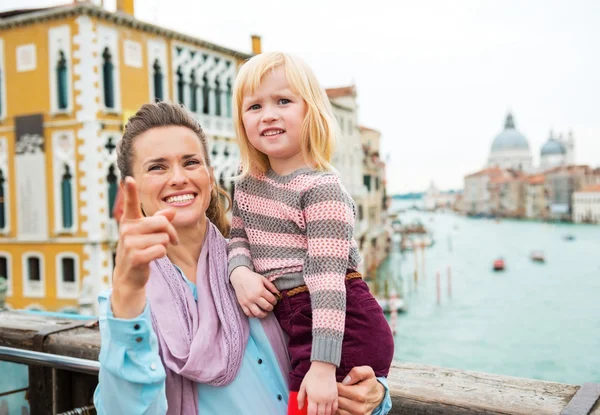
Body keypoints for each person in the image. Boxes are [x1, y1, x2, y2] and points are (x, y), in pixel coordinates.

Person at [93, 101, 392, 415]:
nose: (178, 177)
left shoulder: (265, 265)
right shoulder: (127, 307)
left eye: (191, 162)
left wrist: (374, 395)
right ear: (131, 188)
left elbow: (337, 340)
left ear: (210, 176)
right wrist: (127, 293)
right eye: (157, 167)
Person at [228, 52, 395, 415]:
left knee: (303, 408)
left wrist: (323, 366)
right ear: (242, 121)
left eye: (283, 101)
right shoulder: (245, 185)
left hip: (340, 323)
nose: (268, 113)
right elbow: (236, 236)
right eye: (254, 106)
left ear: (311, 113)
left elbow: (327, 280)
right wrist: (239, 272)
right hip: (299, 320)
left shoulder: (322, 190)